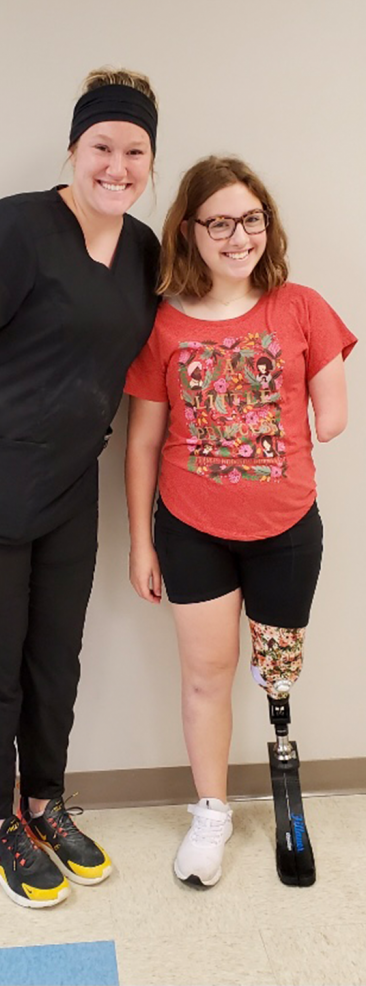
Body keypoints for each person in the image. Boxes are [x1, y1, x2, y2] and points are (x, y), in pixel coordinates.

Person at [0, 69, 161, 908]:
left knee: (56, 660)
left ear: (150, 161)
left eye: (134, 151)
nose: (116, 167)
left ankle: (44, 805)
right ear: (73, 150)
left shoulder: (145, 250)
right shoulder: (15, 228)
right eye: (102, 147)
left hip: (66, 490)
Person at [124, 156, 355, 887]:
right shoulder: (162, 324)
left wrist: (323, 380)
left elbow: (335, 419)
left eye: (250, 220)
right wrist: (140, 541)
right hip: (191, 528)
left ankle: (287, 797)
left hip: (286, 527)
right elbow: (142, 441)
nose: (237, 236)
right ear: (189, 231)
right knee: (206, 677)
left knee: (278, 673)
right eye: (219, 222)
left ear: (268, 226)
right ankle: (212, 812)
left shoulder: (303, 307)